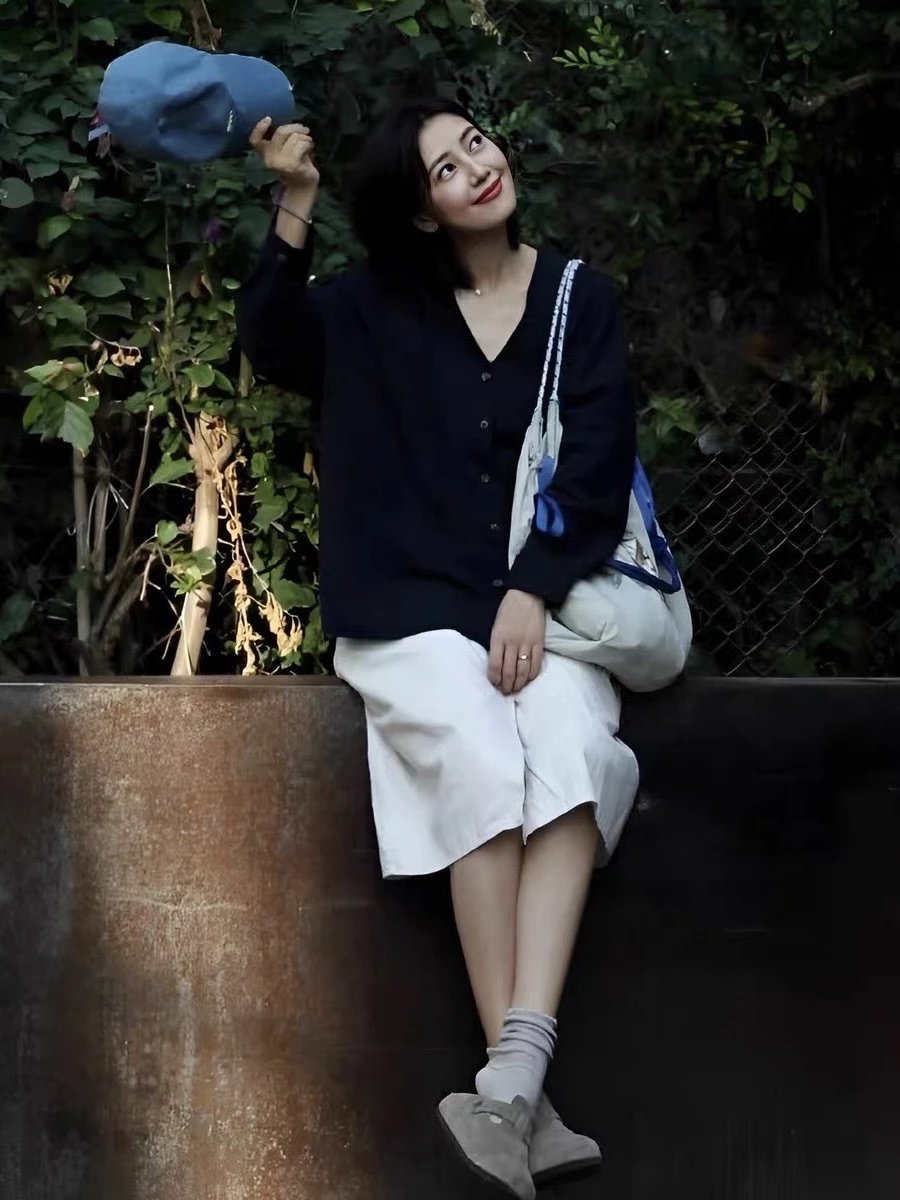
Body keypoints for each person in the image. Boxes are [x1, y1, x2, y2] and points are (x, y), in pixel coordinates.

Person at [236, 97, 640, 1200]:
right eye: (446, 169)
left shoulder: (577, 298)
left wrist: (532, 587)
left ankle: (508, 1084)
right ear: (421, 213)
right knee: (477, 753)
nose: (477, 167)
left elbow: (596, 460)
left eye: (476, 143)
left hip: (537, 608)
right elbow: (272, 342)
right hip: (407, 612)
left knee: (572, 747)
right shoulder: (370, 309)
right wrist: (296, 201)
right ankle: (526, 1093)